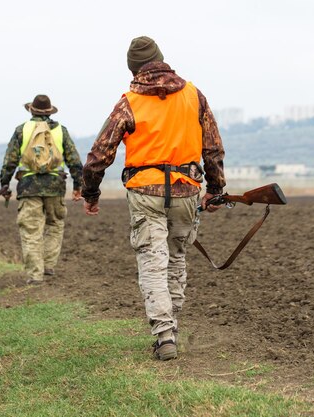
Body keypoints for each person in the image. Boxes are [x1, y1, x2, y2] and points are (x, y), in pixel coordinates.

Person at [81, 36, 226, 360]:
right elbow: (213, 148)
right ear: (162, 60)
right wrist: (215, 190)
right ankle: (171, 331)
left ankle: (163, 337)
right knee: (175, 260)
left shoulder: (129, 101)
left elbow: (100, 153)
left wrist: (91, 193)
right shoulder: (194, 95)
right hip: (187, 189)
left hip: (145, 192)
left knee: (153, 263)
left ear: (133, 68)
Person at [0, 94, 83, 285]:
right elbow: (74, 161)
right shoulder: (61, 130)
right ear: (49, 111)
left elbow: (10, 160)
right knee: (55, 225)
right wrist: (78, 185)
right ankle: (49, 265)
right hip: (55, 186)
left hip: (29, 188)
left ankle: (35, 275)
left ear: (31, 110)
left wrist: (4, 183)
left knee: (31, 231)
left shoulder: (22, 130)